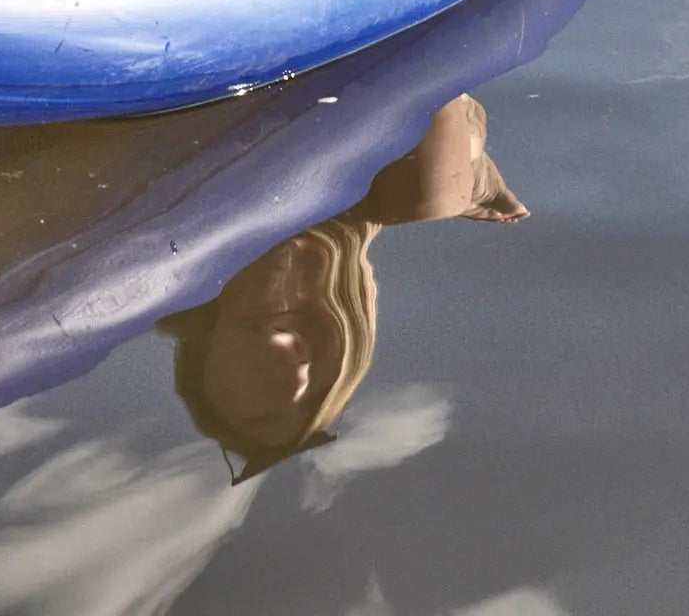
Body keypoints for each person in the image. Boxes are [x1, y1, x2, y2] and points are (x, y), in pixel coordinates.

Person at [161, 95, 528, 481]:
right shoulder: (406, 192)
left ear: (205, 353)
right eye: (315, 395)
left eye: (259, 407)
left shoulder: (172, 235)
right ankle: (474, 177)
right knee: (434, 191)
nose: (296, 376)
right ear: (347, 346)